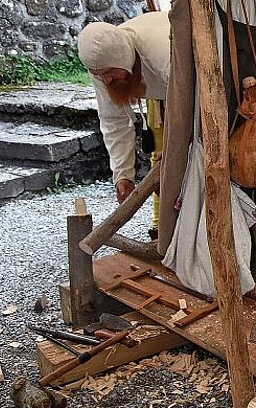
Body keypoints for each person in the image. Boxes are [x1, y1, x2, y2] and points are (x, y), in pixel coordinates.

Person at [77, 11, 170, 238]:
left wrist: (175, 147)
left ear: (123, 58)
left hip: (199, 89)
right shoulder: (103, 67)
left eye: (109, 73)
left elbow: (196, 101)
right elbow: (114, 121)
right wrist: (123, 175)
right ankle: (170, 237)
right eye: (99, 76)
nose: (106, 81)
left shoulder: (161, 49)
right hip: (168, 96)